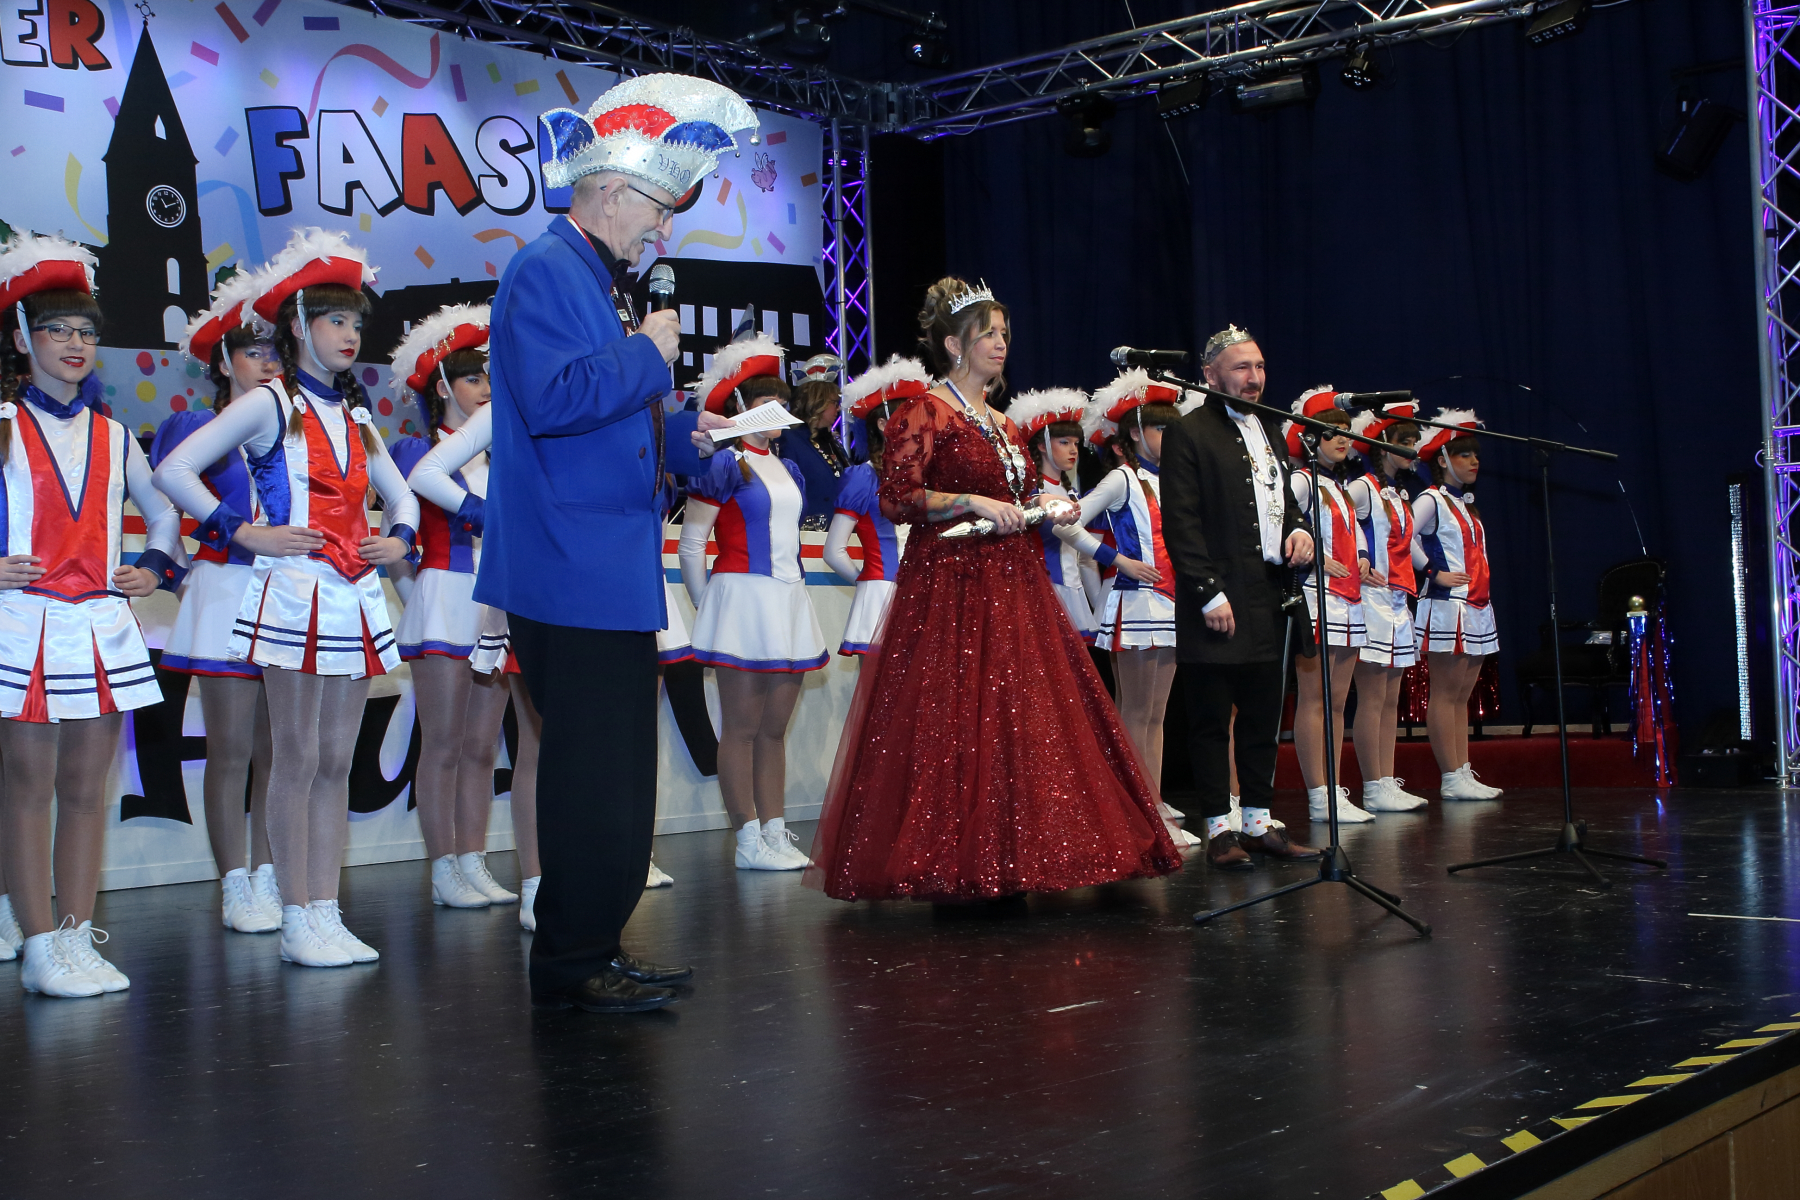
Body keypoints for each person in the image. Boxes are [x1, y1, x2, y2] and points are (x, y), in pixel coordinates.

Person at [479, 74, 751, 1013]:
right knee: (594, 775)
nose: (662, 230)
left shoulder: (595, 282)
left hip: (603, 567)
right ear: (610, 192)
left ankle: (594, 943)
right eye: (659, 209)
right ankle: (571, 964)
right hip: (570, 567)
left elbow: (607, 422)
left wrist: (688, 440)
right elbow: (554, 400)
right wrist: (648, 356)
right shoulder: (545, 270)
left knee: (616, 773)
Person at [806, 278, 1182, 905]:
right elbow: (899, 498)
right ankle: (957, 859)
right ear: (955, 344)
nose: (1001, 343)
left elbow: (1022, 496)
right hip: (950, 584)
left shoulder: (1004, 424)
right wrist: (971, 501)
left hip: (1013, 582)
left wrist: (1048, 505)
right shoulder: (923, 412)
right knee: (955, 717)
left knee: (1020, 717)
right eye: (988, 334)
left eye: (1004, 333)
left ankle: (1018, 852)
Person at [154, 228, 419, 969]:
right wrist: (243, 532)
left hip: (352, 596)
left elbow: (403, 497)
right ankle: (297, 914)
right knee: (295, 756)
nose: (349, 334)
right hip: (291, 594)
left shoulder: (358, 417)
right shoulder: (269, 403)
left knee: (336, 759)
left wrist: (398, 538)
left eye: (356, 321)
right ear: (298, 326)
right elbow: (175, 471)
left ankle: (325, 910)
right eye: (335, 320)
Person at [0, 233, 185, 997]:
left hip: (101, 626)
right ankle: (39, 943)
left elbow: (163, 512)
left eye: (85, 331)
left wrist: (154, 567)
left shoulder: (113, 434)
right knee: (25, 789)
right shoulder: (3, 421)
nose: (75, 344)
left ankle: (76, 937)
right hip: (22, 624)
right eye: (57, 330)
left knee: (85, 791)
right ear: (22, 338)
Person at [1159, 326, 1323, 872]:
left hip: (1270, 594)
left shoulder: (1270, 427)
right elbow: (1181, 522)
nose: (1254, 378)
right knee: (1211, 720)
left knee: (1262, 716)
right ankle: (1217, 828)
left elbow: (1283, 504)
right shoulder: (1188, 432)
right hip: (1218, 596)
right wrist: (1208, 593)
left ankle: (1257, 822)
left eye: (1259, 366)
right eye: (1241, 368)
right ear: (1210, 375)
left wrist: (1298, 530)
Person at [385, 304, 525, 913]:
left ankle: (473, 859)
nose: (485, 388)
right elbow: (397, 538)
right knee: (442, 743)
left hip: (494, 607)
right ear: (441, 387)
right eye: (472, 378)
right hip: (443, 599)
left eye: (489, 377)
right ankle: (442, 867)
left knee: (482, 746)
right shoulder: (416, 451)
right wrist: (419, 599)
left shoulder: (502, 454)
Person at [154, 268, 282, 935]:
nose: (268, 364)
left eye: (275, 352)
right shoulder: (193, 427)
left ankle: (269, 874)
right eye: (254, 352)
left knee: (277, 751)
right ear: (225, 361)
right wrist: (180, 576)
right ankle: (234, 880)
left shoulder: (295, 430)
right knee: (230, 748)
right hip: (227, 590)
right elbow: (163, 505)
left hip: (288, 595)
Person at [681, 338, 828, 871]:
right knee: (741, 728)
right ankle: (746, 839)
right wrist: (712, 611)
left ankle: (774, 830)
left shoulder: (789, 468)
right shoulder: (724, 463)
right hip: (740, 599)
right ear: (741, 407)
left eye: (783, 403)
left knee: (773, 729)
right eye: (768, 402)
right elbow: (692, 544)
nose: (779, 412)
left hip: (788, 599)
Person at [1077, 373, 1200, 848]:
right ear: (1134, 432)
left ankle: (1151, 805)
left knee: (1156, 715)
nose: (1170, 437)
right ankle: (1141, 813)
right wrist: (1117, 559)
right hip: (1136, 604)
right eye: (1161, 428)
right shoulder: (1122, 478)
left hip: (1171, 604)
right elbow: (1068, 523)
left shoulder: (1174, 480)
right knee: (1137, 712)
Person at [1283, 389, 1375, 825]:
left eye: (1345, 432)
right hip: (1316, 596)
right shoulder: (1301, 481)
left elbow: (1353, 533)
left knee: (1338, 702)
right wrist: (1316, 556)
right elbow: (1280, 529)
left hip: (1349, 598)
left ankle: (1334, 787)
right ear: (1309, 438)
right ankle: (1318, 794)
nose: (1342, 440)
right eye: (1330, 433)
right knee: (1314, 698)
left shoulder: (1338, 487)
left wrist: (1362, 556)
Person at [1412, 410, 1504, 801]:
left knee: (1462, 696)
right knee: (1445, 693)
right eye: (1464, 454)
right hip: (1448, 607)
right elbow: (1402, 536)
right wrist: (1433, 572)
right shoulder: (1430, 499)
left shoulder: (1466, 505)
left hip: (1477, 606)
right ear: (1443, 460)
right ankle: (1450, 777)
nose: (1474, 461)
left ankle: (1462, 771)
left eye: (1475, 454)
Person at [1346, 403, 1430, 813]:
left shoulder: (1398, 494)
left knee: (1390, 697)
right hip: (1371, 600)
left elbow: (1408, 544)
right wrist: (1357, 562)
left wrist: (1429, 570)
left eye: (1415, 442)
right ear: (1382, 446)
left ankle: (1386, 781)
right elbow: (1333, 523)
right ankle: (1372, 785)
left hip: (1399, 599)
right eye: (1404, 442)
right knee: (1372, 695)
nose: (1413, 449)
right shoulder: (1361, 488)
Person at [825, 356, 932, 659]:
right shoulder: (864, 477)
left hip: (927, 595)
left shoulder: (930, 476)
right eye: (907, 417)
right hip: (880, 597)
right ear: (883, 424)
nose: (918, 426)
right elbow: (833, 551)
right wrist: (869, 582)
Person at [780, 353, 849, 524]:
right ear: (817, 402)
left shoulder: (833, 442)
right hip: (809, 532)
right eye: (834, 402)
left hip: (842, 528)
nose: (838, 409)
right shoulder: (789, 438)